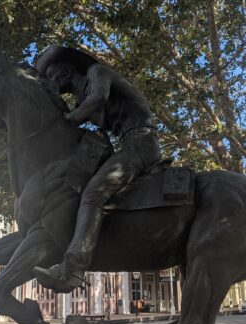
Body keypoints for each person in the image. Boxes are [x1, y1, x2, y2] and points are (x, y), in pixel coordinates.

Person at [34, 45, 161, 293]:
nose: (51, 81)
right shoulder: (80, 99)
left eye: (51, 75)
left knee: (94, 193)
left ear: (66, 70)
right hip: (126, 146)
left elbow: (98, 99)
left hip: (141, 142)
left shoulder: (97, 73)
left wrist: (71, 118)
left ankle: (73, 269)